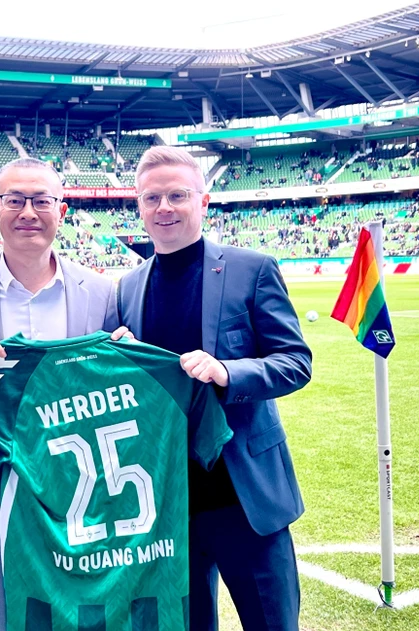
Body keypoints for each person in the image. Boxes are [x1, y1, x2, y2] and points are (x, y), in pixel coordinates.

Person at [117, 146, 312, 631]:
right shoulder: (125, 287)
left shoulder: (252, 268)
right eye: (152, 197)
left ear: (204, 201)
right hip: (166, 505)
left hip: (246, 497)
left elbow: (295, 362)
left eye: (177, 195)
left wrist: (227, 372)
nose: (164, 207)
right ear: (138, 206)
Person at [0, 157, 125, 630]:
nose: (28, 212)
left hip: (78, 500)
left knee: (79, 622)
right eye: (14, 200)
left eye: (41, 200)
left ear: (63, 210)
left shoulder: (101, 292)